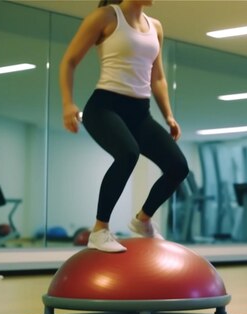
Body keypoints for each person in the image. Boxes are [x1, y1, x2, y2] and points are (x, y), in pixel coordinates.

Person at [60, 0, 189, 252]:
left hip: (140, 113)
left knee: (178, 167)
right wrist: (67, 104)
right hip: (104, 107)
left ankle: (143, 220)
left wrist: (169, 116)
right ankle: (99, 231)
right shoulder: (105, 17)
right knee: (127, 154)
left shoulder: (156, 27)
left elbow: (158, 77)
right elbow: (70, 61)